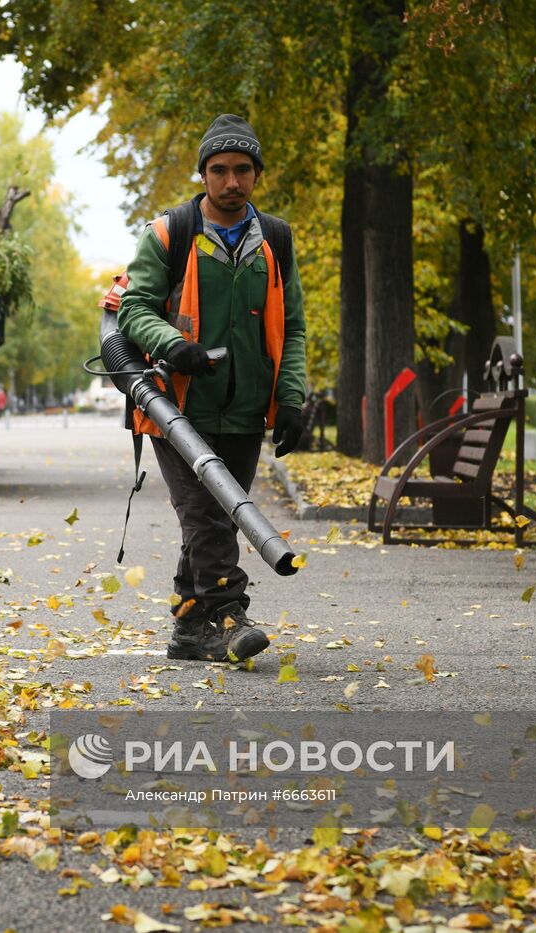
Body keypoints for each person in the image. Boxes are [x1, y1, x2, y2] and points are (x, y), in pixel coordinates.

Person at [117, 113, 306, 664]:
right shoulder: (168, 234)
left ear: (256, 174)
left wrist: (290, 398)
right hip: (176, 408)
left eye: (242, 170)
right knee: (203, 512)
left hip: (248, 410)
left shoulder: (275, 238)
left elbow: (291, 325)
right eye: (219, 170)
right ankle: (228, 615)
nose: (231, 182)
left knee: (217, 517)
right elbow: (133, 308)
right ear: (202, 174)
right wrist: (170, 342)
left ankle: (187, 628)